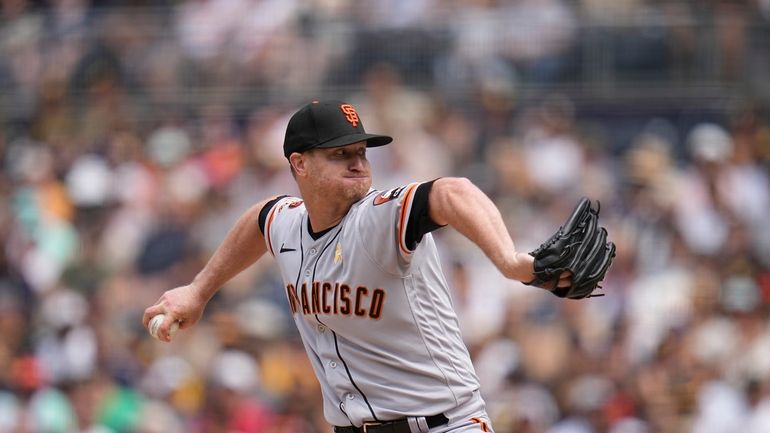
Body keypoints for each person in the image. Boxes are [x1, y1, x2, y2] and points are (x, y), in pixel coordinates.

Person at [143, 100, 572, 433]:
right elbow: (259, 220)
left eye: (361, 152)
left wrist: (510, 262)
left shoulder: (378, 216)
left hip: (443, 424)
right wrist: (199, 290)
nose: (358, 163)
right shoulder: (288, 222)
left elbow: (452, 192)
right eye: (340, 153)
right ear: (300, 164)